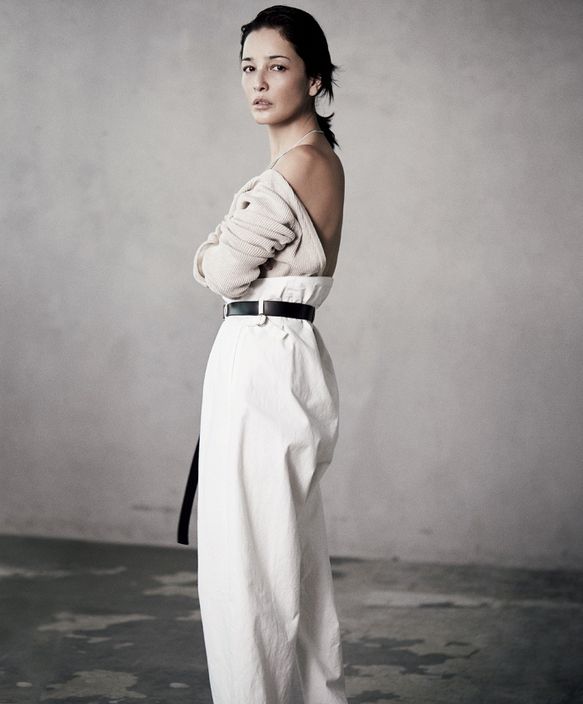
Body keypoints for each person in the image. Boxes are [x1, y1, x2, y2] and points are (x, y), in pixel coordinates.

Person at [178, 5, 348, 703]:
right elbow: (230, 267)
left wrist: (212, 248)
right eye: (249, 67)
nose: (258, 81)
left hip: (265, 358)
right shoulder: (299, 163)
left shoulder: (302, 164)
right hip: (271, 354)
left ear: (313, 79)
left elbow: (221, 271)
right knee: (282, 561)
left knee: (248, 569)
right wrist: (223, 249)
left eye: (277, 66)